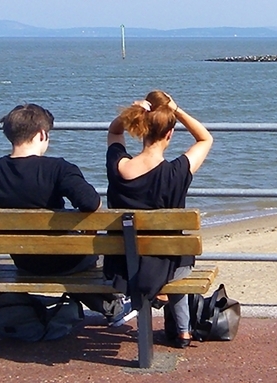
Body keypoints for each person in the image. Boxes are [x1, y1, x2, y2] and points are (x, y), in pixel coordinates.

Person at [0, 103, 136, 327]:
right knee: (103, 255)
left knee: (67, 261)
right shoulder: (59, 169)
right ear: (41, 134)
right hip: (68, 260)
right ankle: (113, 306)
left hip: (25, 262)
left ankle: (107, 307)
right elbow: (91, 203)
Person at [104, 90, 213, 348]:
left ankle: (161, 292)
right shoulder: (176, 172)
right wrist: (177, 111)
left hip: (122, 266)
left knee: (163, 256)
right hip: (166, 264)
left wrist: (132, 112)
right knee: (178, 259)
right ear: (169, 134)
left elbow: (114, 133)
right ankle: (183, 331)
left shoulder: (118, 167)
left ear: (141, 130)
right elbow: (205, 138)